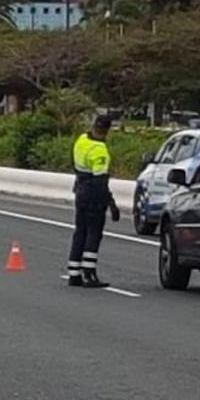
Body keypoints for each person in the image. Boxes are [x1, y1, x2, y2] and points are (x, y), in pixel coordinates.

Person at [67, 115, 121, 289]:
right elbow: (101, 181)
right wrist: (111, 203)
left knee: (80, 231)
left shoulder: (82, 140)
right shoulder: (99, 150)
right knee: (94, 232)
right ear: (107, 130)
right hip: (94, 192)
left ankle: (74, 273)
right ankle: (89, 273)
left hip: (80, 189)